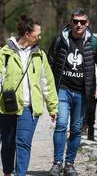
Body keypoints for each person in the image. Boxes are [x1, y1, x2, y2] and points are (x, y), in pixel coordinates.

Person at [48, 8, 97, 176]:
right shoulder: (61, 39)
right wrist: (47, 90)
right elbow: (49, 62)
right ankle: (57, 162)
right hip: (63, 89)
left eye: (82, 22)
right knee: (61, 125)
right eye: (75, 21)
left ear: (87, 23)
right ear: (70, 21)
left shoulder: (94, 43)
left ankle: (69, 163)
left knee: (76, 129)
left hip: (83, 92)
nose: (78, 25)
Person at [0, 14, 58, 176]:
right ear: (27, 34)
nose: (39, 37)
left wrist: (52, 106)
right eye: (37, 34)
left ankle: (21, 174)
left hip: (29, 107)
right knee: (8, 143)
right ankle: (7, 172)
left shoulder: (40, 55)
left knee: (23, 143)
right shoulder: (4, 53)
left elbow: (47, 82)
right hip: (7, 106)